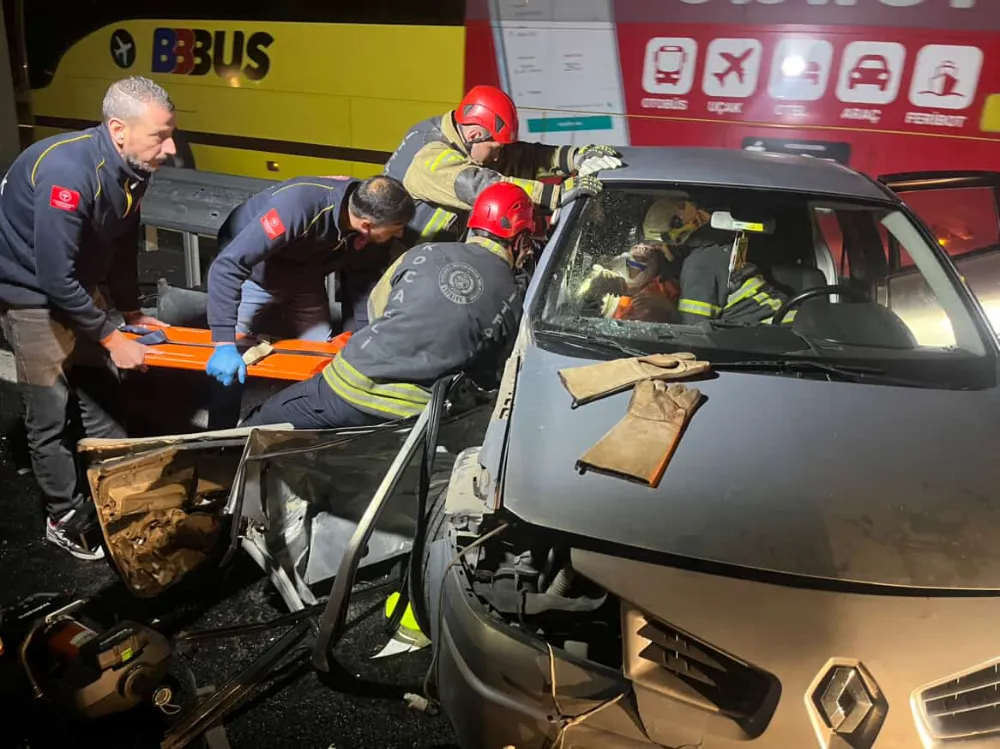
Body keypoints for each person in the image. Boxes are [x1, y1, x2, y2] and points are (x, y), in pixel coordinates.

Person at [0, 76, 176, 560]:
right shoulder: (68, 173)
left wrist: (131, 311)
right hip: (31, 297)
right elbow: (53, 276)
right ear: (118, 129)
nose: (171, 147)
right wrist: (108, 335)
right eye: (160, 135)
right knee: (50, 414)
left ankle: (114, 495)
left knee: (104, 401)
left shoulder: (133, 167)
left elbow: (121, 246)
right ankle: (66, 517)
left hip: (80, 287)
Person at [240, 181, 534, 430]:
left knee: (262, 425)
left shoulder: (425, 252)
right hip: (416, 416)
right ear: (520, 239)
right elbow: (488, 372)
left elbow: (377, 306)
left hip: (350, 386)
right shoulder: (515, 299)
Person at [204, 175, 415, 390]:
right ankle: (222, 422)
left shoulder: (368, 216)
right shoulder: (297, 207)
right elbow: (227, 266)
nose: (400, 233)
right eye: (397, 227)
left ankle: (301, 411)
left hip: (306, 278)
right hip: (257, 276)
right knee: (229, 369)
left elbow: (362, 284)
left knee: (320, 357)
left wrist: (362, 340)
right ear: (367, 225)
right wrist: (223, 344)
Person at [384, 84, 622, 246]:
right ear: (476, 134)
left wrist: (576, 157)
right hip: (393, 269)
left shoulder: (466, 139)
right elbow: (480, 186)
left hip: (435, 258)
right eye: (496, 149)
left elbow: (523, 156)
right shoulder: (429, 154)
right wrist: (556, 194)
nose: (499, 158)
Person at [652, 196, 791, 325]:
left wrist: (668, 309)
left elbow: (694, 333)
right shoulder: (721, 247)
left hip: (775, 335)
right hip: (786, 323)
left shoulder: (699, 265)